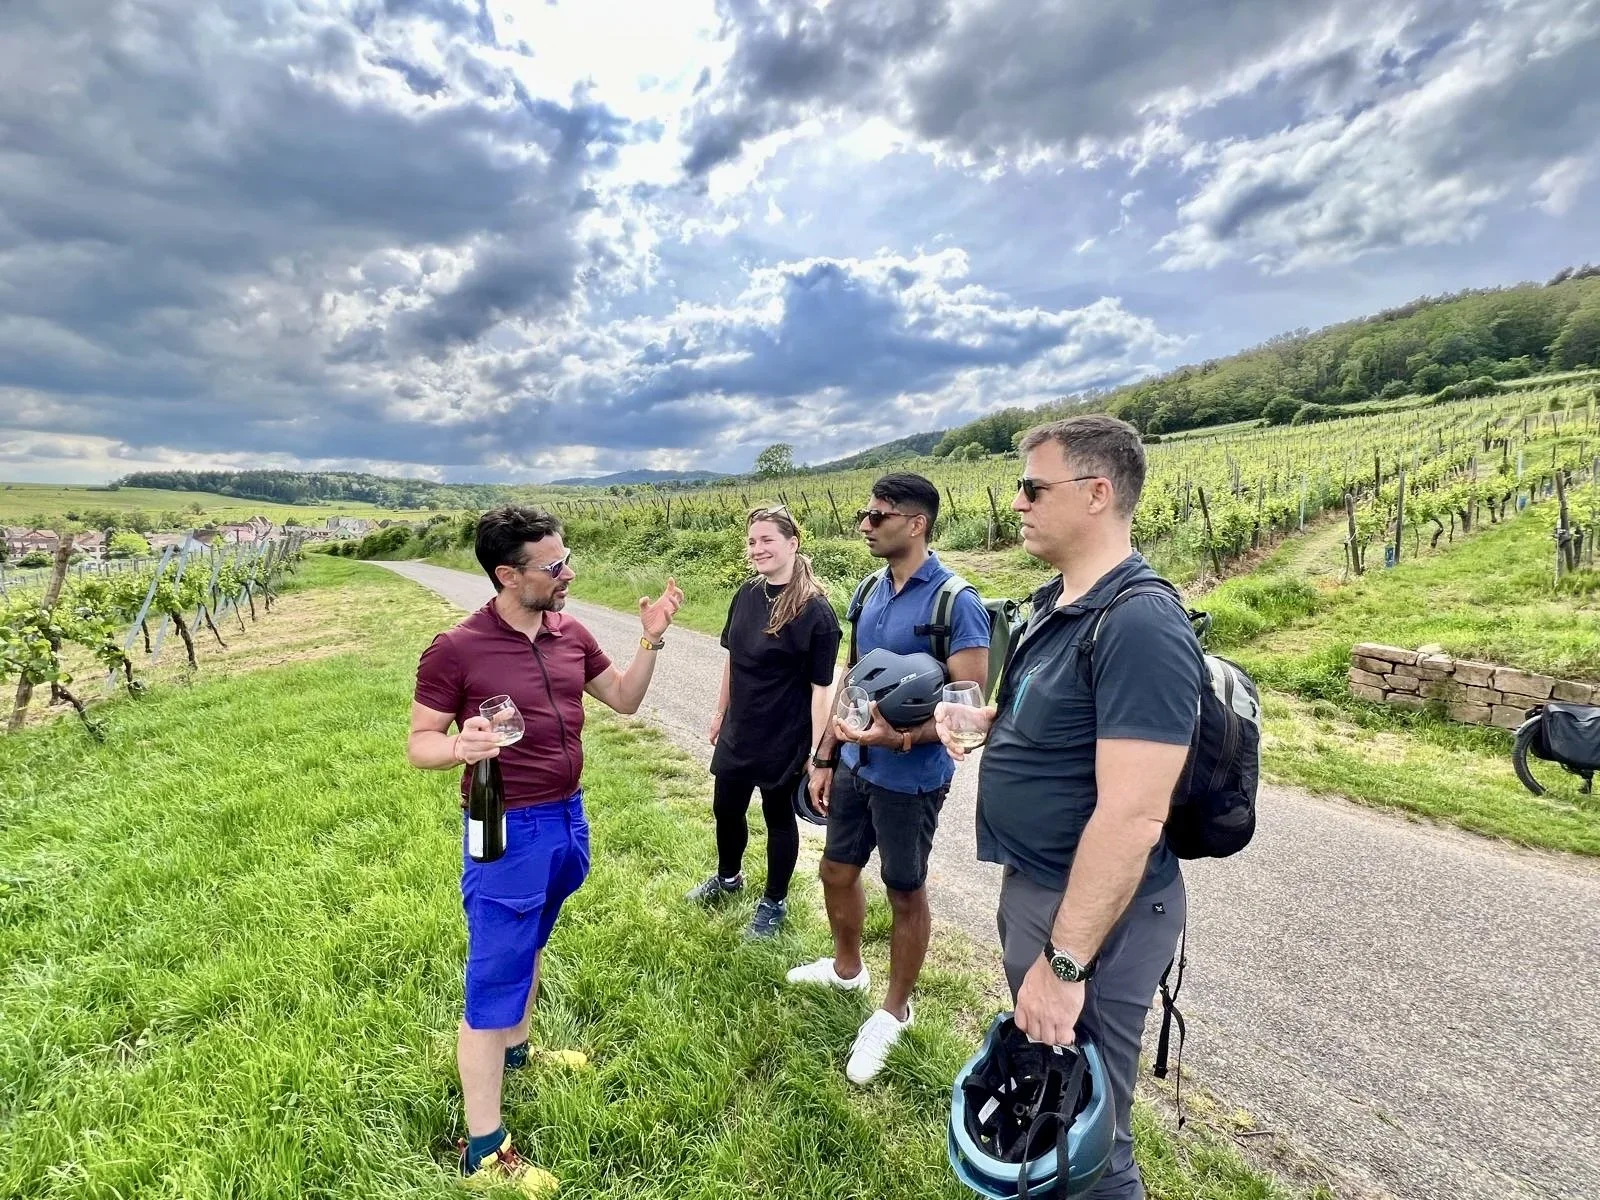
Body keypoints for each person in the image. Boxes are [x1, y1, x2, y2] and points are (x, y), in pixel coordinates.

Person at [935, 415, 1203, 1200]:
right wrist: (993, 722)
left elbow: (1133, 815)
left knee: (1090, 1134)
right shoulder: (1058, 604)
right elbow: (1067, 722)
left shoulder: (1141, 623)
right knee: (1052, 1103)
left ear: (1096, 493)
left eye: (1031, 487)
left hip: (1094, 919)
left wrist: (1062, 965)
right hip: (1045, 892)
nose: (1015, 503)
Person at [406, 506, 684, 1195]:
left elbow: (621, 700)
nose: (569, 573)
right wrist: (459, 748)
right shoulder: (458, 648)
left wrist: (650, 643)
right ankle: (484, 1149)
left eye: (567, 559)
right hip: (507, 828)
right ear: (507, 575)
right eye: (554, 566)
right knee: (494, 976)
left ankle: (520, 1051)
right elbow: (420, 743)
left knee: (532, 942)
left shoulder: (570, 632)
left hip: (568, 818)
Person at [789, 472, 990, 1084]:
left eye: (878, 516)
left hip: (913, 779)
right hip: (855, 765)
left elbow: (970, 712)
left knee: (905, 889)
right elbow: (851, 675)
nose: (866, 525)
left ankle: (894, 1011)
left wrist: (899, 738)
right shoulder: (869, 590)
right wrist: (825, 754)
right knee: (835, 869)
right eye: (865, 515)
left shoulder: (957, 603)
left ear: (917, 523)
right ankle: (848, 968)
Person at [687, 505, 842, 937]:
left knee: (778, 819)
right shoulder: (747, 595)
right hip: (741, 727)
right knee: (726, 809)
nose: (757, 549)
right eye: (752, 541)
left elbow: (822, 689)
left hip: (784, 736)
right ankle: (728, 877)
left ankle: (774, 902)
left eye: (767, 540)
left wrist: (817, 754)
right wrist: (720, 712)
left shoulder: (816, 613)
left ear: (793, 544)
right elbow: (733, 660)